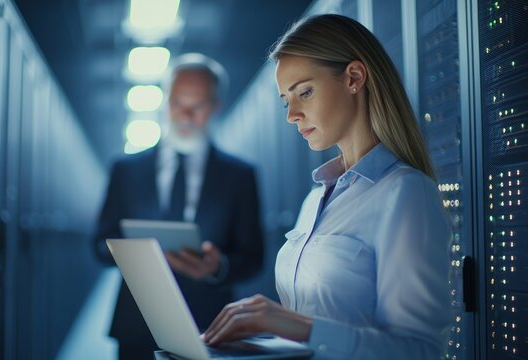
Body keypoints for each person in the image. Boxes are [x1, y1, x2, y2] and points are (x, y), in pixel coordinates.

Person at [202, 14, 451, 359]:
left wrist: (294, 325)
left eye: (304, 91)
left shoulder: (406, 194)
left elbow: (419, 351)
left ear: (354, 77)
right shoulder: (314, 200)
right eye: (286, 100)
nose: (292, 114)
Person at [95, 53, 264, 359]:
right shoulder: (125, 170)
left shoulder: (240, 175)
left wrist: (218, 267)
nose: (185, 116)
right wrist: (132, 253)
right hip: (137, 322)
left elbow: (254, 256)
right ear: (166, 102)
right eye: (177, 104)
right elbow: (98, 243)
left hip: (211, 323)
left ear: (215, 107)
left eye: (196, 106)